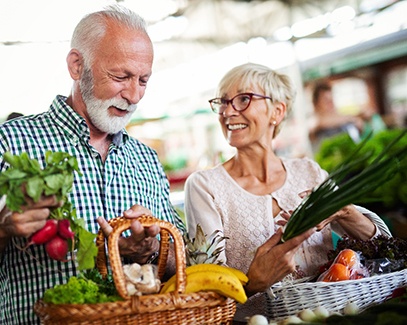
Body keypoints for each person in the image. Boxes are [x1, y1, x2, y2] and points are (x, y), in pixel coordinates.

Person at [0, 5, 185, 324]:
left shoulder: (146, 158)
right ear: (76, 65)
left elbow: (182, 266)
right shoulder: (9, 144)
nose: (133, 95)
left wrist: (153, 249)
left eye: (143, 80)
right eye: (121, 76)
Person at [184, 63, 391, 323]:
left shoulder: (309, 173)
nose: (227, 111)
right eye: (222, 102)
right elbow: (207, 289)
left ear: (277, 111)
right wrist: (252, 283)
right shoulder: (205, 186)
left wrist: (346, 212)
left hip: (335, 317)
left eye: (243, 99)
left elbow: (385, 247)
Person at [309, 82, 365, 153]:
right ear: (316, 103)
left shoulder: (340, 118)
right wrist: (352, 119)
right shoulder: (313, 120)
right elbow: (319, 123)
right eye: (326, 100)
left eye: (332, 99)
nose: (331, 103)